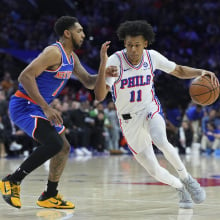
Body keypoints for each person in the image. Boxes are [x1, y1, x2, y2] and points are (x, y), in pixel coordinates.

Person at [94, 20, 219, 209]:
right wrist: (102, 70)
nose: (133, 49)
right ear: (124, 44)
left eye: (137, 45)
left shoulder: (152, 57)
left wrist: (200, 72)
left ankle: (187, 179)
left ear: (145, 43)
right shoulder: (115, 61)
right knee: (154, 170)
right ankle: (180, 188)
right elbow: (100, 95)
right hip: (129, 121)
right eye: (129, 45)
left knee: (160, 139)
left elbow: (178, 70)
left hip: (149, 108)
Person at [0, 16, 117, 209]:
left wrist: (104, 73)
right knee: (53, 143)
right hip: (24, 105)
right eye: (79, 31)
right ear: (67, 33)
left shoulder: (72, 57)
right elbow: (25, 76)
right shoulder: (54, 52)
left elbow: (88, 81)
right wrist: (46, 107)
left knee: (63, 148)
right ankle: (12, 180)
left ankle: (49, 195)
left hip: (38, 107)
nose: (84, 34)